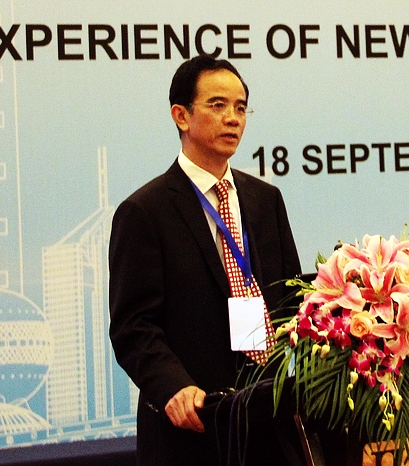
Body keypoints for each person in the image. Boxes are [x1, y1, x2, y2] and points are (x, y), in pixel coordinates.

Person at [108, 55, 302, 465]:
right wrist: (172, 387)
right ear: (181, 115)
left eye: (241, 108)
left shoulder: (266, 200)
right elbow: (133, 326)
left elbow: (290, 299)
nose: (233, 118)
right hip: (194, 424)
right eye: (217, 105)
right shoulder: (145, 211)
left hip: (267, 418)